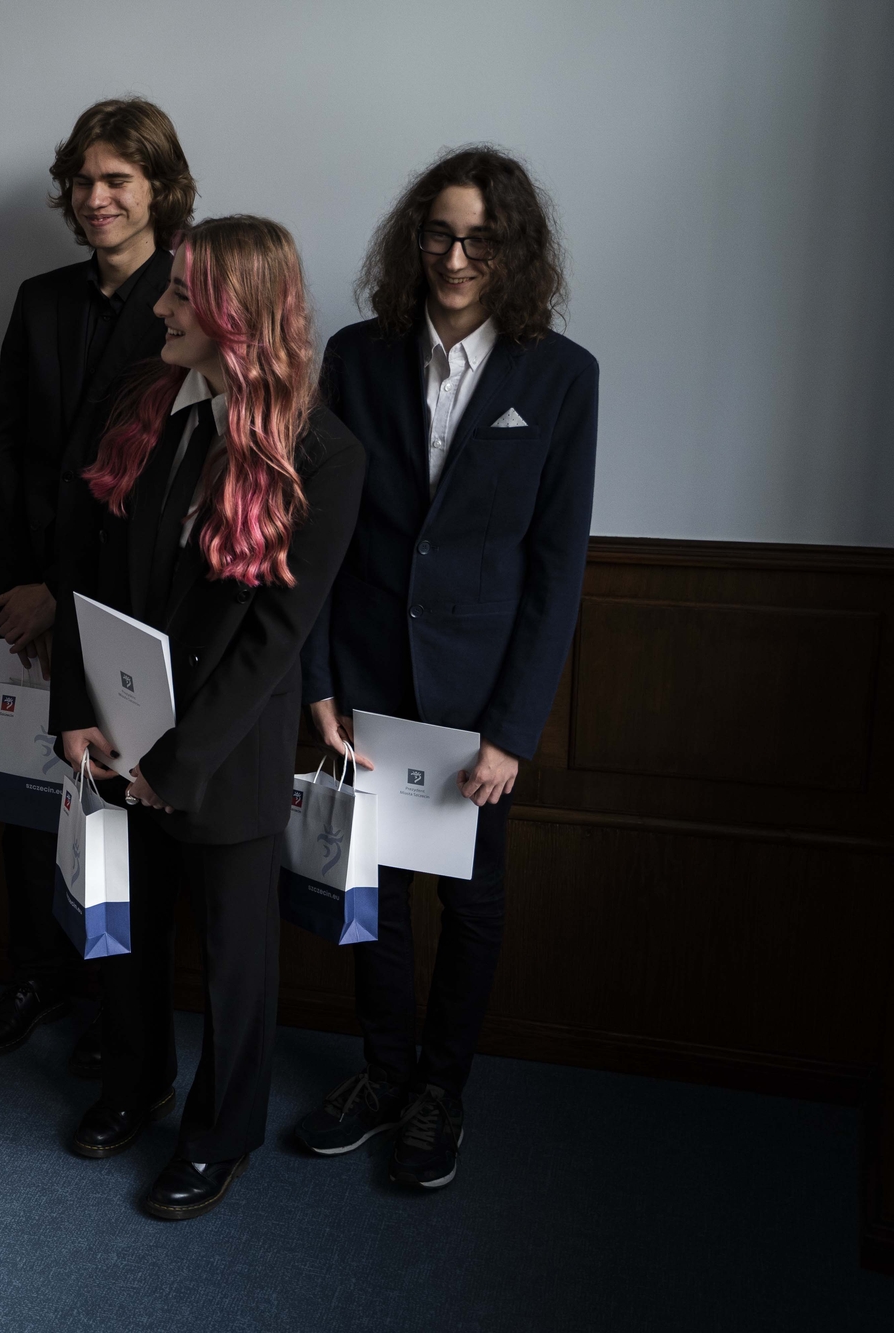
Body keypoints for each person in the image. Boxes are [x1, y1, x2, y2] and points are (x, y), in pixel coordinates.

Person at [293, 147, 598, 1190]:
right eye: (438, 233)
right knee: (369, 889)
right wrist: (318, 681)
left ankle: (440, 1089)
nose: (455, 258)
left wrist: (513, 730)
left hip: (479, 702)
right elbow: (321, 535)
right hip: (367, 678)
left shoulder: (561, 376)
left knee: (469, 903)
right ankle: (382, 1074)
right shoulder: (355, 356)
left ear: (513, 249)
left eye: (479, 239)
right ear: (412, 239)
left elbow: (556, 567)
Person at [50, 216, 365, 1219]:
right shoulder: (145, 401)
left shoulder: (325, 453)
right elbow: (83, 566)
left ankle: (220, 1135)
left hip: (223, 751)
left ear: (236, 309)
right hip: (117, 726)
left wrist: (178, 764)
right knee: (129, 935)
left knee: (235, 962)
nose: (158, 308)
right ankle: (136, 1081)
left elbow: (274, 639)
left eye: (180, 293)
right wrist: (73, 706)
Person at [0, 97, 193, 1074]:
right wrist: (21, 586)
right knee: (28, 799)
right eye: (83, 181)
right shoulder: (40, 299)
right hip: (25, 600)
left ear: (159, 189)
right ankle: (36, 975)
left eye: (117, 180)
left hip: (126, 609)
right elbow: (4, 448)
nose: (96, 198)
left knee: (121, 810)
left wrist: (61, 596)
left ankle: (117, 1007)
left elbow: (157, 480)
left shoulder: (188, 300)